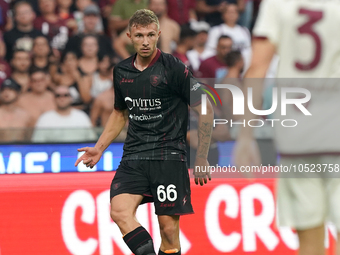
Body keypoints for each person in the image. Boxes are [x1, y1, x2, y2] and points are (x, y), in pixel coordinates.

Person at [75, 9, 214, 255]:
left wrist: (201, 156)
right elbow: (120, 113)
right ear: (129, 36)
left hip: (168, 156)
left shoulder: (172, 67)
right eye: (139, 36)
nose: (146, 41)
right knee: (119, 211)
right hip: (134, 156)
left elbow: (205, 107)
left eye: (151, 35)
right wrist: (99, 147)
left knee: (168, 231)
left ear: (159, 34)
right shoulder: (122, 72)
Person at [233, 1, 340, 255]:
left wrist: (245, 135)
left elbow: (257, 67)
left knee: (309, 243)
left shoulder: (278, 3)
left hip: (298, 134)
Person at [113, 0, 180, 59]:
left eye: (160, 4)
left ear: (165, 6)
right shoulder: (139, 25)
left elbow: (180, 47)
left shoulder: (173, 26)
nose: (157, 7)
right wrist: (131, 64)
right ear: (149, 6)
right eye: (154, 4)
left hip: (166, 68)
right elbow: (118, 44)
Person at [32, 85, 97, 142]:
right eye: (58, 95)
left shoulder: (82, 117)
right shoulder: (45, 118)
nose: (62, 98)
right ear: (54, 98)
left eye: (65, 95)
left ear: (71, 98)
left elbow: (91, 141)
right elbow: (37, 143)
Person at [204, 4, 252, 71]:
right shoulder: (215, 31)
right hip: (221, 68)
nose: (231, 15)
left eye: (234, 12)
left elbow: (248, 51)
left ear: (238, 15)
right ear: (223, 15)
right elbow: (209, 51)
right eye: (229, 12)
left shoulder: (245, 31)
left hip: (242, 67)